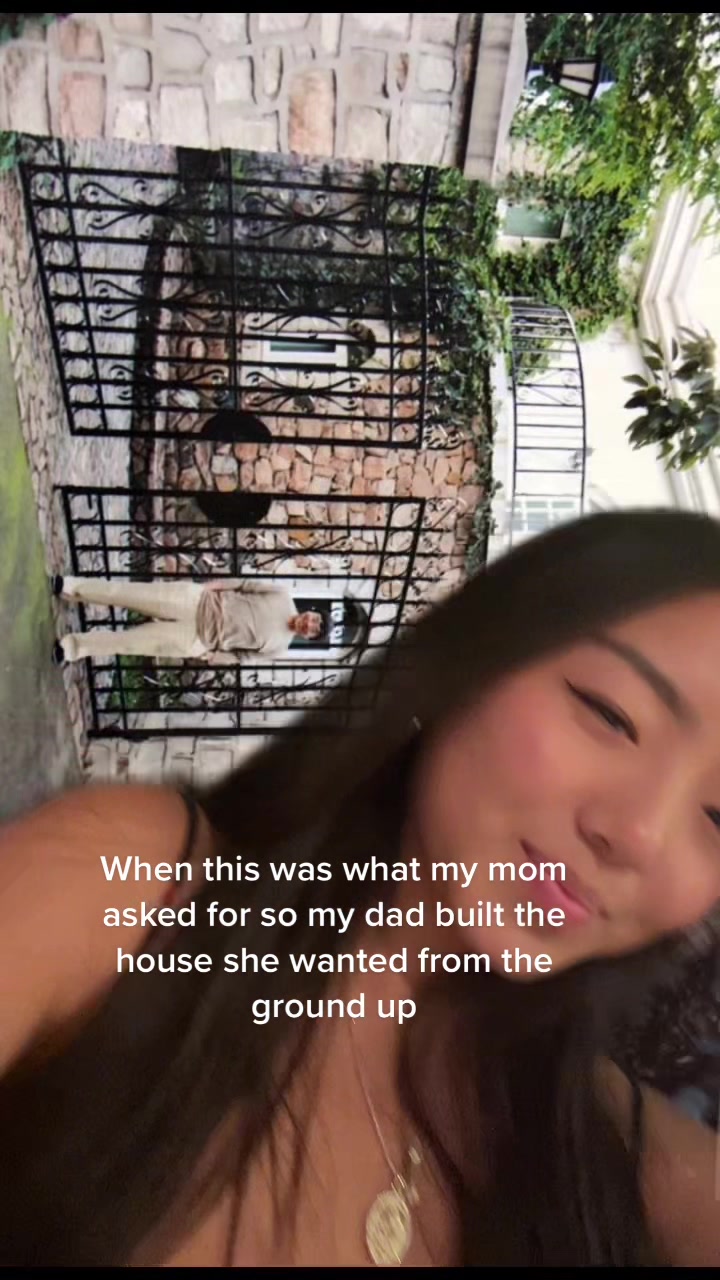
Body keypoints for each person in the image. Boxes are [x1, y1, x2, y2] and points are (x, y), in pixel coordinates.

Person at [2, 508, 720, 1267]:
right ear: (471, 660)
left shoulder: (609, 1158)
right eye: (611, 713)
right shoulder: (140, 891)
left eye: (718, 816)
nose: (640, 832)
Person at [51, 574, 326, 664]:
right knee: (127, 593)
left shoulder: (279, 648)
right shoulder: (282, 594)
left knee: (130, 642)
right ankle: (71, 587)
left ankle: (72, 647)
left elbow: (242, 657)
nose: (308, 624)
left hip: (197, 639)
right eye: (314, 619)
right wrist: (207, 587)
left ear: (309, 637)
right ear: (311, 611)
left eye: (313, 630)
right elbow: (243, 584)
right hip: (194, 602)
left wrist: (210, 656)